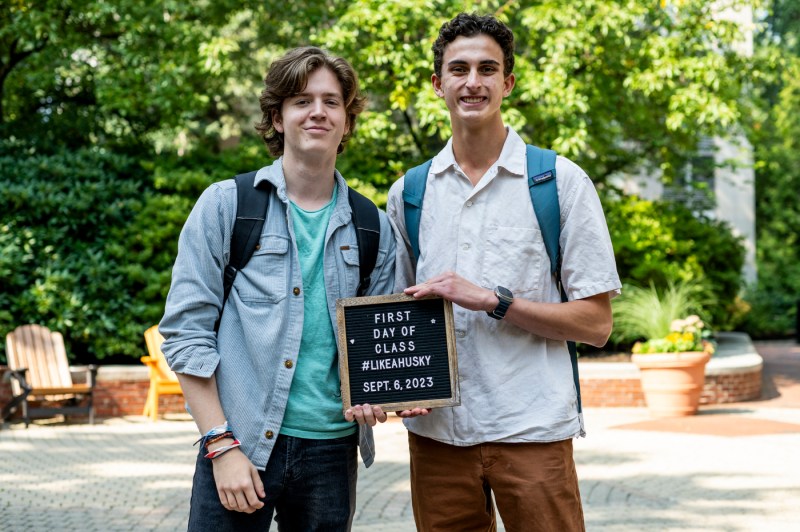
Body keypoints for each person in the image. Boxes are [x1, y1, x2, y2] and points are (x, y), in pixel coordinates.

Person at [386, 13, 621, 531]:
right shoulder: (409, 193)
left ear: (507, 83)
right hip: (438, 438)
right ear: (437, 83)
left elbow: (596, 325)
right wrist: (395, 386)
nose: (473, 82)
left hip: (531, 430)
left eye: (487, 69)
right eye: (459, 69)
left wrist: (495, 300)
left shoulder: (558, 182)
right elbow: (400, 314)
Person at [159, 46, 395, 531]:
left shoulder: (375, 226)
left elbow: (381, 347)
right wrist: (220, 446)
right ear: (277, 117)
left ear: (347, 122)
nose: (318, 112)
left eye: (332, 102)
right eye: (302, 100)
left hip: (331, 452)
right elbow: (186, 334)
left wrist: (382, 393)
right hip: (239, 443)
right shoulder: (227, 205)